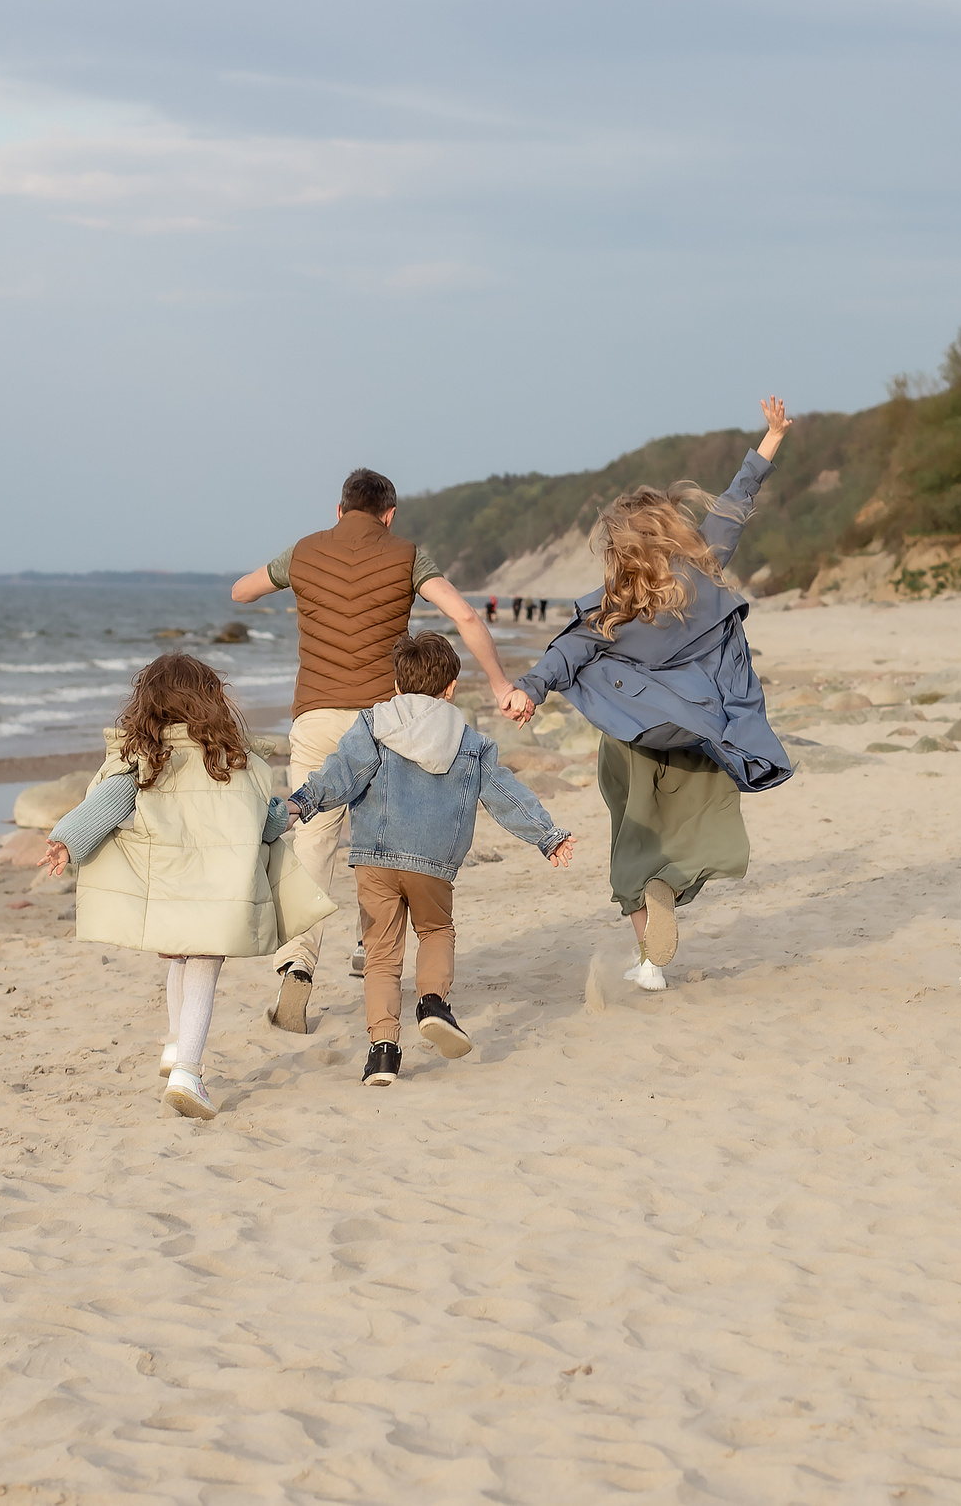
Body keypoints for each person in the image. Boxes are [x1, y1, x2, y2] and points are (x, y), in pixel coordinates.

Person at [506, 397, 796, 991]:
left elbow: (568, 652)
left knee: (634, 834)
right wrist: (770, 439)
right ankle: (667, 897)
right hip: (700, 730)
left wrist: (530, 689)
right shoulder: (703, 568)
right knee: (695, 830)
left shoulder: (614, 605)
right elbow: (736, 504)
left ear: (620, 549)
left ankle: (650, 961)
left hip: (633, 738)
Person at [232, 469, 529, 1031]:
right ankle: (367, 945)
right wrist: (498, 683)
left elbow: (241, 591)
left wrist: (291, 579)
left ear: (339, 509)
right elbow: (465, 614)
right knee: (382, 836)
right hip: (383, 722)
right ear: (389, 515)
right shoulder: (407, 555)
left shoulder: (304, 552)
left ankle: (297, 965)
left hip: (316, 716)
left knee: (313, 842)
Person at [40, 654, 331, 1119]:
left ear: (148, 704)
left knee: (179, 958)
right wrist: (287, 816)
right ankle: (188, 1073)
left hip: (169, 889)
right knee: (202, 972)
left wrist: (66, 842)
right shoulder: (233, 761)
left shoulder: (147, 760)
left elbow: (106, 804)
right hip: (218, 894)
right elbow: (263, 821)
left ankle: (176, 1046)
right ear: (211, 701)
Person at [285, 632, 575, 1085]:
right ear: (451, 688)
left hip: (375, 859)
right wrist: (547, 836)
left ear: (397, 685)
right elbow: (505, 795)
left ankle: (383, 1052)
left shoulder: (372, 725)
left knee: (381, 955)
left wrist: (302, 802)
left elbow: (341, 774)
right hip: (433, 864)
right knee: (436, 930)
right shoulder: (471, 743)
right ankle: (434, 1003)